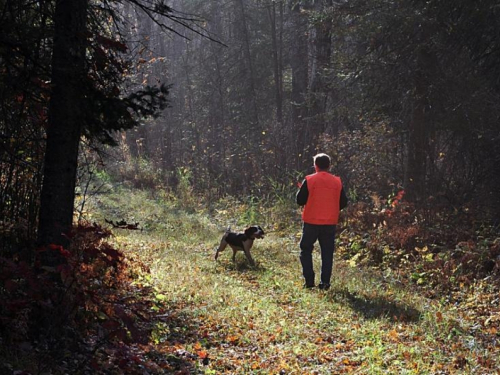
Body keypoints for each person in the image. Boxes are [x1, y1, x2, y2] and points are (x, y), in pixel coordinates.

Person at [296, 153, 348, 290]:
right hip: (330, 222)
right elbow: (343, 202)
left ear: (315, 165)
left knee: (305, 250)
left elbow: (299, 200)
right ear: (329, 165)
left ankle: (309, 281)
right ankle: (325, 283)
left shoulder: (310, 180)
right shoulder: (337, 181)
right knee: (327, 253)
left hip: (311, 221)